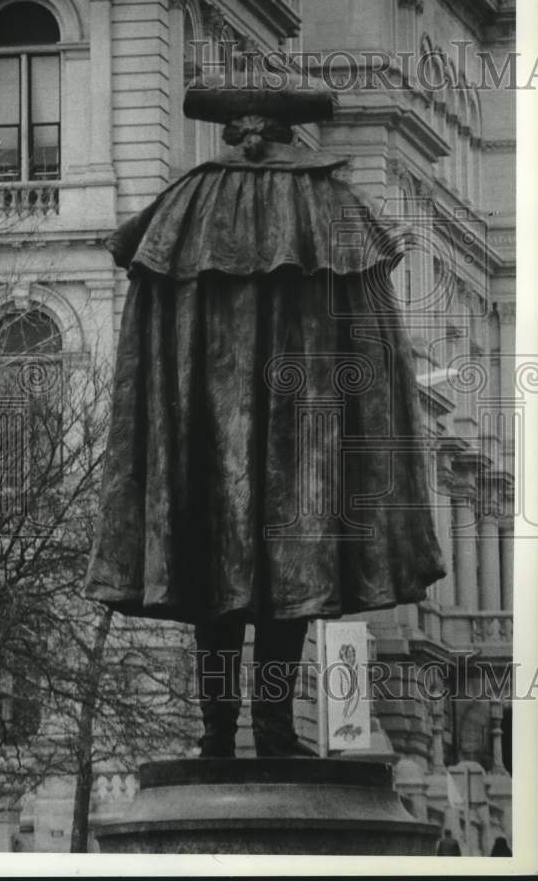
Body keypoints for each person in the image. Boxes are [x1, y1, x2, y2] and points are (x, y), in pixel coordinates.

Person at [85, 79, 446, 757]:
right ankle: (274, 730)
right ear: (287, 134)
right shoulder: (330, 203)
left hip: (204, 436)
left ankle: (218, 733)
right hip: (305, 441)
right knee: (296, 577)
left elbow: (153, 346)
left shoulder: (187, 203)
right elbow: (370, 342)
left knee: (209, 579)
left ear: (235, 133)